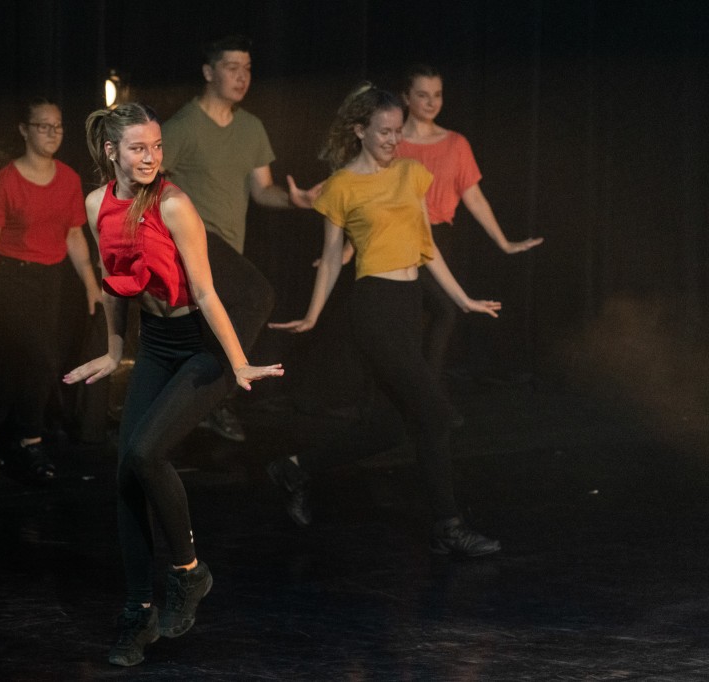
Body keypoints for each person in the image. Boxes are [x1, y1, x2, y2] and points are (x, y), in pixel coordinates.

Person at [64, 103, 283, 666]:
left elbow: (206, 293)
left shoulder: (174, 204)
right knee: (126, 475)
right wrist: (115, 351)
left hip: (202, 347)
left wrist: (238, 363)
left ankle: (188, 572)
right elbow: (114, 283)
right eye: (139, 148)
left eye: (157, 147)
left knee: (145, 451)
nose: (151, 157)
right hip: (157, 346)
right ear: (111, 151)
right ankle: (138, 612)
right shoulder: (96, 204)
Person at [269, 82, 501, 557]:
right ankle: (448, 526)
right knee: (434, 415)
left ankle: (294, 468)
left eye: (398, 131)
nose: (394, 140)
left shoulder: (412, 173)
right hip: (373, 307)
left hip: (408, 303)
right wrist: (312, 315)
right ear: (360, 130)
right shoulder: (341, 186)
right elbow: (331, 259)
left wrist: (463, 299)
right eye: (384, 132)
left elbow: (427, 246)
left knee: (392, 427)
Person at [161, 34, 319, 442]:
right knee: (257, 296)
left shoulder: (251, 127)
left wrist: (296, 200)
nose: (242, 76)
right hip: (194, 242)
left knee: (211, 338)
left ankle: (195, 411)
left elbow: (262, 190)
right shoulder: (182, 126)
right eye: (232, 68)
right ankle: (216, 398)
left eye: (247, 69)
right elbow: (147, 181)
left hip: (230, 248)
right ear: (208, 72)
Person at [0, 98, 102, 477]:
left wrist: (90, 284)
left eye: (58, 126)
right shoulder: (5, 181)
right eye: (43, 126)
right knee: (42, 358)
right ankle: (29, 439)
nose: (52, 133)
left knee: (14, 363)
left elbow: (73, 235)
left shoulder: (68, 179)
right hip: (9, 279)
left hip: (48, 282)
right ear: (24, 130)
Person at [397, 63, 543, 376]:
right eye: (423, 95)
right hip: (399, 238)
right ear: (406, 97)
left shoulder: (455, 144)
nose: (432, 102)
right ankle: (426, 391)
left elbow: (473, 197)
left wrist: (504, 242)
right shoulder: (392, 143)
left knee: (434, 313)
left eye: (437, 94)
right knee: (437, 311)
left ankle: (420, 390)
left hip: (439, 237)